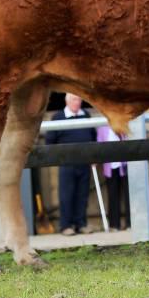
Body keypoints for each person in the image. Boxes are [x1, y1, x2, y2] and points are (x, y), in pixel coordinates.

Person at [46, 93, 98, 235]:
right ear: (67, 101)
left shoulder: (86, 115)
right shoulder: (58, 117)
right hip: (66, 163)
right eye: (75, 99)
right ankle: (66, 226)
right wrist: (57, 158)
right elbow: (50, 141)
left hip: (84, 162)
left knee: (83, 195)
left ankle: (81, 224)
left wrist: (93, 156)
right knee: (66, 195)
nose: (78, 102)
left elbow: (93, 136)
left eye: (80, 99)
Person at [96, 125, 130, 231]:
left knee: (129, 196)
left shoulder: (123, 126)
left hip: (124, 166)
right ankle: (114, 225)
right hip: (110, 167)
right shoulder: (102, 129)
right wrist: (95, 158)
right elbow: (99, 146)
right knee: (113, 196)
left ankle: (130, 223)